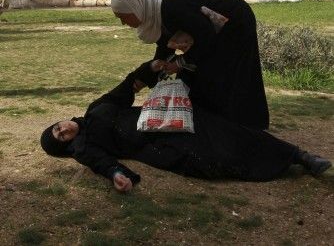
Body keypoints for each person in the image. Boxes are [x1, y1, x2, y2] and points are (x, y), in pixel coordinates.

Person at [40, 75, 332, 194]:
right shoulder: (84, 147)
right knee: (212, 156)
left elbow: (127, 87)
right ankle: (275, 164)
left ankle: (300, 156)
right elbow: (101, 162)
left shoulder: (95, 109)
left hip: (167, 115)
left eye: (58, 127)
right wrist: (117, 174)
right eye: (62, 137)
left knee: (228, 131)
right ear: (68, 146)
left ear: (60, 120)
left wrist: (152, 69)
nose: (64, 130)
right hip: (156, 143)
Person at [110, 0, 269, 130]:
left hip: (234, 22)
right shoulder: (155, 12)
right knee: (195, 75)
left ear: (135, 6)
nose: (123, 23)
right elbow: (165, 51)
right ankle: (216, 124)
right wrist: (145, 77)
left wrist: (180, 62)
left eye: (123, 17)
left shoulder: (169, 7)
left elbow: (205, 34)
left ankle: (245, 128)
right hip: (214, 31)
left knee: (231, 75)